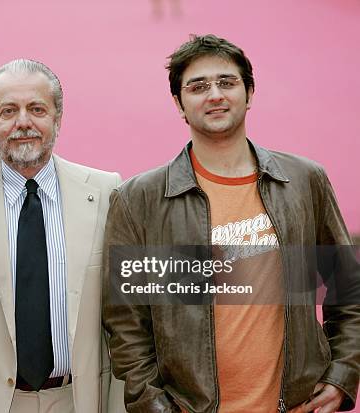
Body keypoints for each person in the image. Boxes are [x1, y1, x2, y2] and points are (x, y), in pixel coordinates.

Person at [102, 34, 360, 413]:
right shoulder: (138, 199)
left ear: (249, 92)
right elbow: (126, 323)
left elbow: (348, 289)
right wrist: (154, 405)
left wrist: (342, 374)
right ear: (179, 104)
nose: (215, 95)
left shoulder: (305, 181)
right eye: (198, 86)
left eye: (227, 82)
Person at [0, 59, 126, 412]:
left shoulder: (106, 191)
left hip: (80, 399)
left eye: (36, 109)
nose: (22, 122)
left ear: (57, 118)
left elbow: (126, 316)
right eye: (8, 111)